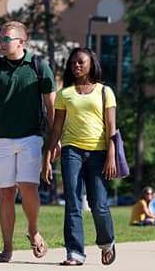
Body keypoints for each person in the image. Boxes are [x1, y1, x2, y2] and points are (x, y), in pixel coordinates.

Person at [0, 21, 55, 263]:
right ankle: (7, 248)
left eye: (6, 38)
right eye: (0, 37)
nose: (1, 41)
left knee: (28, 187)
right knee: (6, 193)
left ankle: (33, 229)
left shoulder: (40, 67)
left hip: (31, 136)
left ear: (21, 41)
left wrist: (55, 139)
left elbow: (52, 108)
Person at [43, 47, 116, 266]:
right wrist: (47, 157)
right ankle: (74, 252)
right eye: (73, 63)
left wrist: (111, 154)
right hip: (71, 151)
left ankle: (106, 242)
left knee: (99, 204)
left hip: (98, 152)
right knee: (73, 203)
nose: (76, 66)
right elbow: (56, 129)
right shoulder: (65, 94)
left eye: (81, 62)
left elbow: (111, 126)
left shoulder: (105, 91)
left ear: (91, 64)